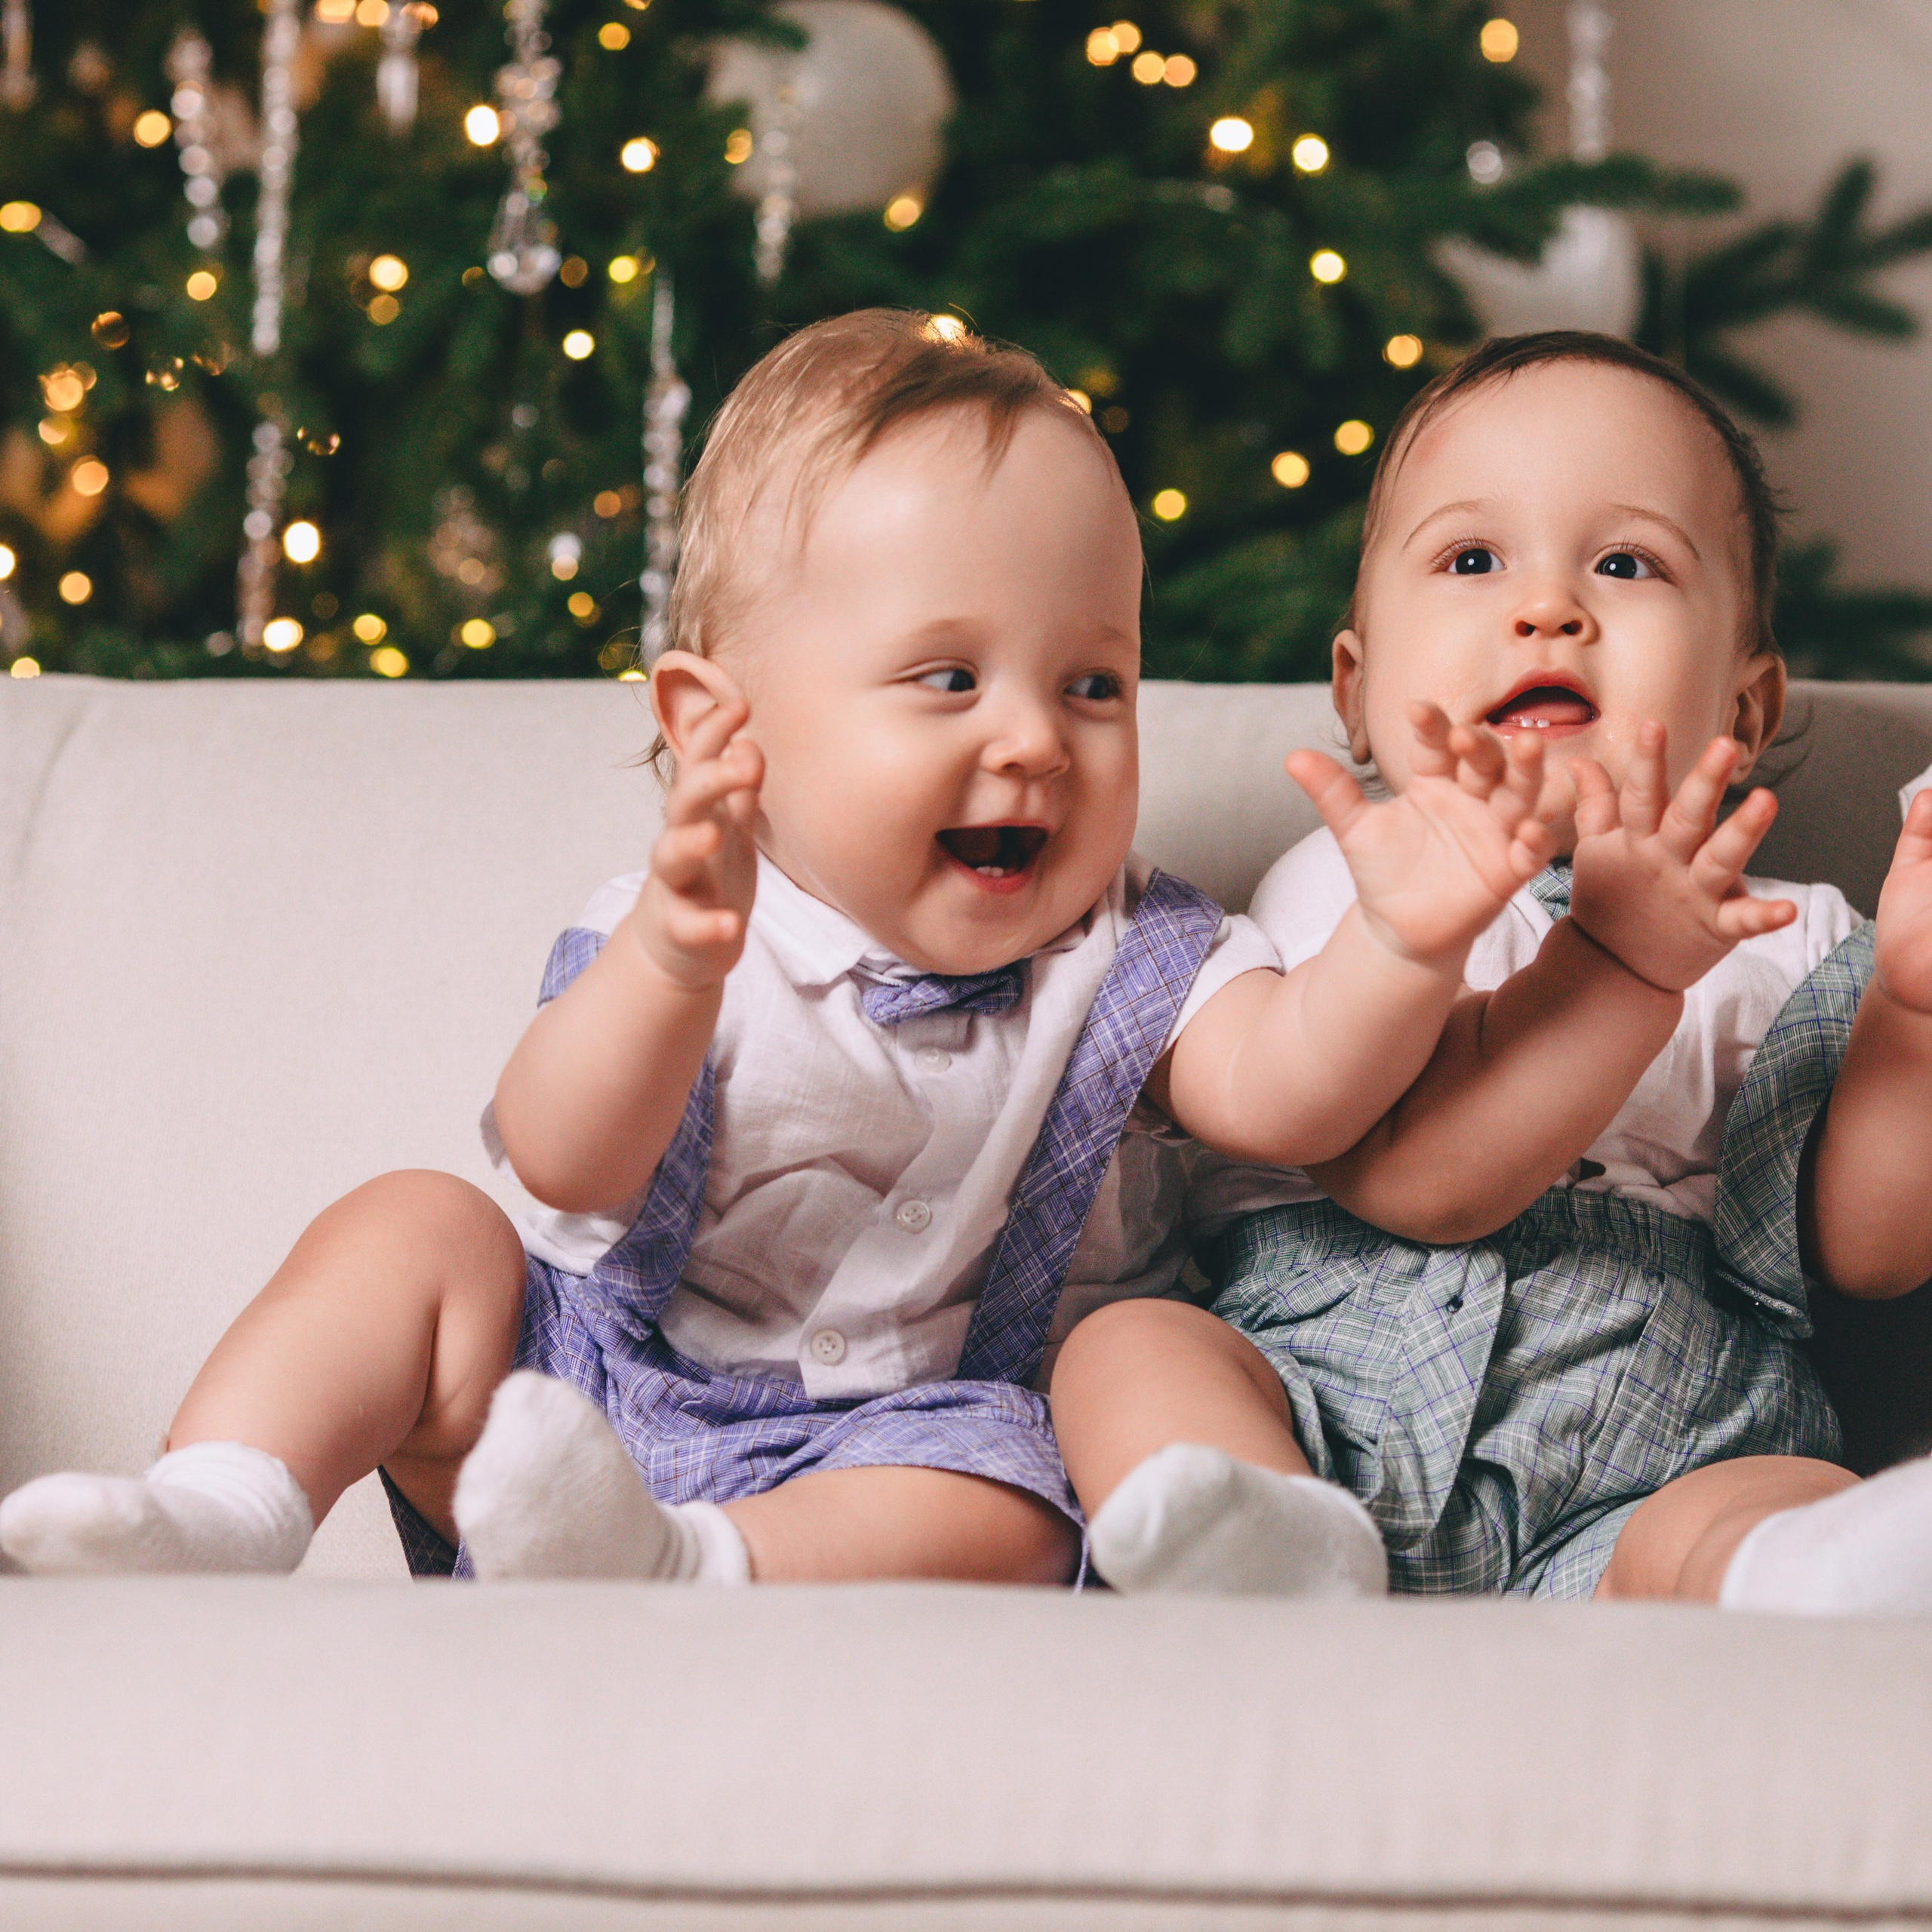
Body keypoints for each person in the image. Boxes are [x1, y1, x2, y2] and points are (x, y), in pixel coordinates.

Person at [2, 309, 1564, 1588]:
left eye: (1094, 684)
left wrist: (1403, 948)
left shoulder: (1129, 946)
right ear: (715, 727)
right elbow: (563, 1156)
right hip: (576, 1408)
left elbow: (1288, 1093)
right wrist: (674, 969)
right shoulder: (682, 926)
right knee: (415, 1227)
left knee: (1022, 1502)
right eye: (946, 677)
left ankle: (681, 1571)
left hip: (908, 1448)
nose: (1034, 740)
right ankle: (219, 1507)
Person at [1051, 330, 1932, 1614]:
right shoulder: (1360, 884)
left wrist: (1910, 1009)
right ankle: (1260, 1555)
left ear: (1743, 714)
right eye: (1473, 561)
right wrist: (1620, 964)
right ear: (1357, 695)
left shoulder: (1795, 931)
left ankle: (1792, 1578)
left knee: (1760, 1500)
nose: (1549, 609)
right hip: (1317, 1405)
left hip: (1670, 1433)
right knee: (1131, 1347)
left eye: (1625, 563)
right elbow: (1414, 1179)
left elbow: (1866, 1252)